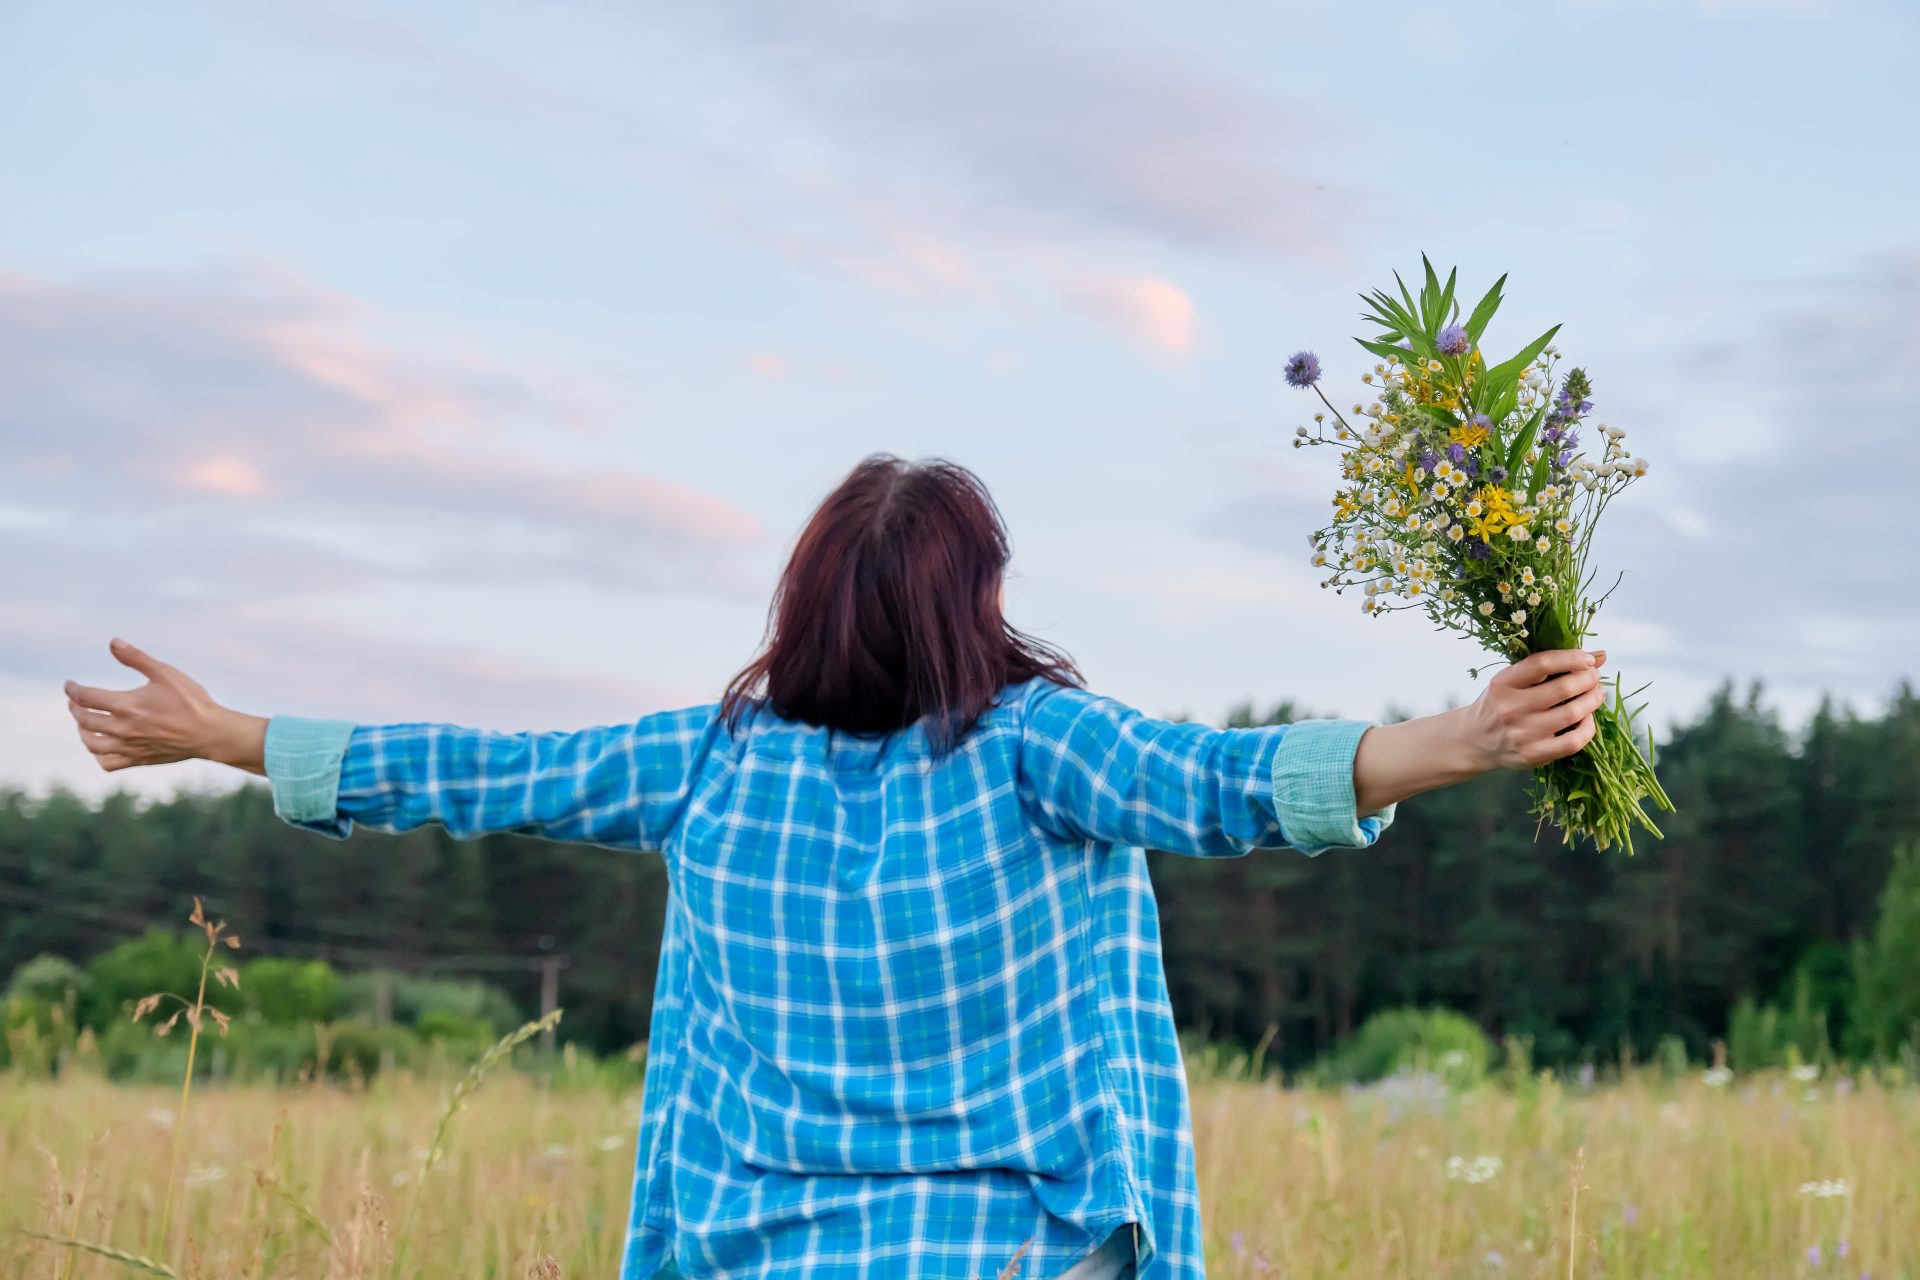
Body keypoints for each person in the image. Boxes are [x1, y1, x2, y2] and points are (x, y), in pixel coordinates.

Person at [64, 454, 1609, 1280]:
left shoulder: (708, 762)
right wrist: (1456, 742)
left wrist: (230, 734)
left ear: (803, 605)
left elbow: (471, 770)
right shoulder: (1036, 746)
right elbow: (1221, 785)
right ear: (976, 604)